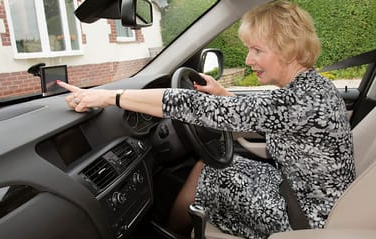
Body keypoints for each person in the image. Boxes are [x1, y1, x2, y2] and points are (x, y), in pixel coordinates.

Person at [58, 1, 355, 238]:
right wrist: (224, 95)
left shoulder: (298, 100)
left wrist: (110, 97)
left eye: (257, 50)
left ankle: (171, 233)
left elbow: (190, 105)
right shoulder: (310, 88)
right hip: (306, 196)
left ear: (287, 49)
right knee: (209, 165)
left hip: (305, 217)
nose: (249, 60)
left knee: (211, 172)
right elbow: (267, 113)